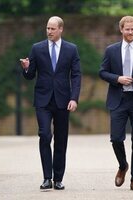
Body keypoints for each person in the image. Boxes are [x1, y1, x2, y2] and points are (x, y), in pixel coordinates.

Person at [20, 16, 81, 190]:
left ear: (61, 29)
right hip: (43, 100)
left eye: (52, 29)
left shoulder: (71, 49)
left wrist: (74, 98)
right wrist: (26, 67)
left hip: (63, 100)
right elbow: (30, 74)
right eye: (47, 28)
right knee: (45, 135)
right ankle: (47, 177)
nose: (49, 31)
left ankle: (58, 179)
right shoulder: (37, 48)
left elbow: (76, 75)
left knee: (61, 140)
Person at [99, 16, 133, 190]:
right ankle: (123, 166)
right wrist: (118, 78)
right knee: (116, 138)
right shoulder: (111, 50)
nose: (130, 32)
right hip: (118, 100)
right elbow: (102, 72)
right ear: (121, 30)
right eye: (127, 29)